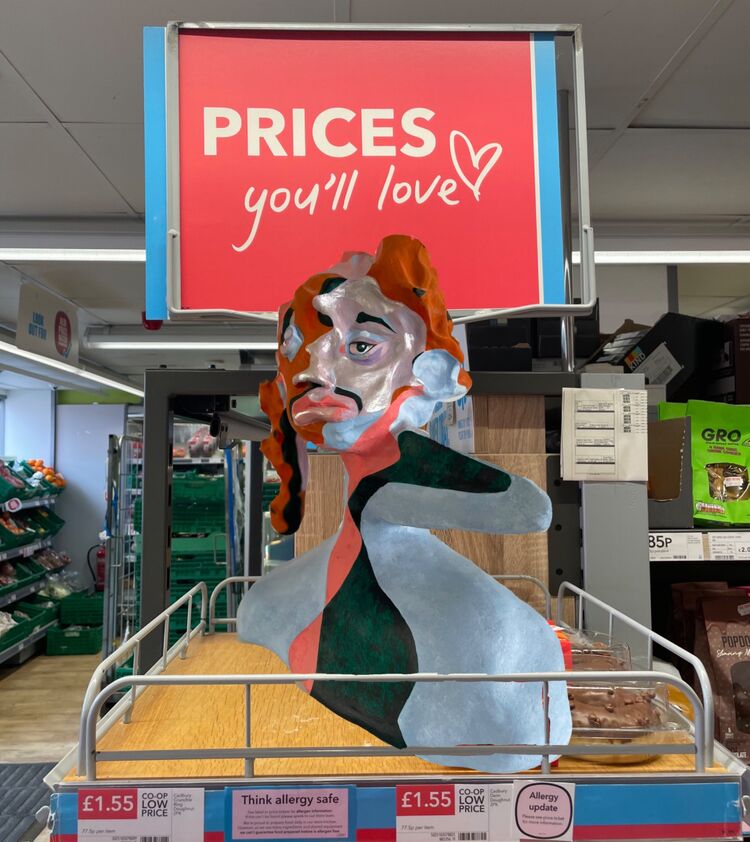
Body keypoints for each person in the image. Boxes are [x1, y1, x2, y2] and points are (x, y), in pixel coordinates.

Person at [237, 234, 571, 772]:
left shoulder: (393, 481)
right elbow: (524, 507)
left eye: (360, 346)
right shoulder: (272, 600)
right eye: (296, 346)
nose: (309, 371)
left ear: (433, 373)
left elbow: (527, 508)